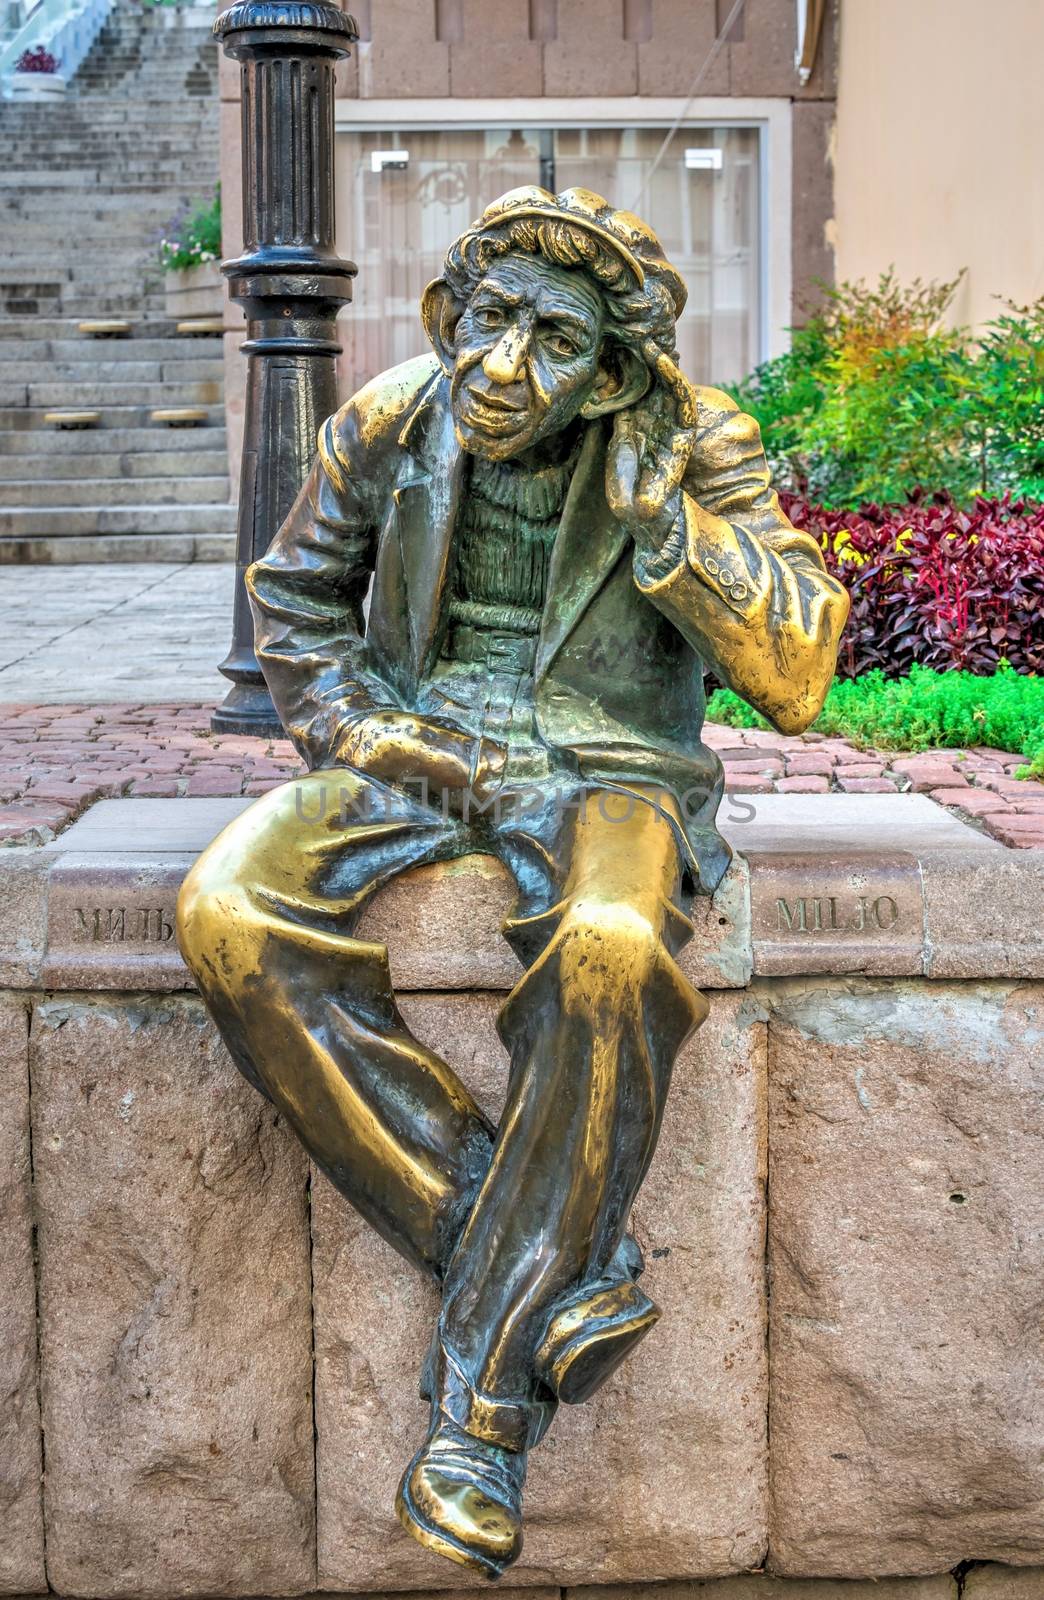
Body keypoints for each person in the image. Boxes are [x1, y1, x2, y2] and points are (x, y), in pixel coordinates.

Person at [177, 186, 848, 1579]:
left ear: (611, 367)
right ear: (449, 313)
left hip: (607, 762)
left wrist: (678, 537)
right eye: (488, 319)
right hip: (413, 740)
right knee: (228, 915)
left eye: (551, 340)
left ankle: (479, 1414)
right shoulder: (390, 419)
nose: (500, 366)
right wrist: (374, 733)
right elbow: (297, 606)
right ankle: (551, 1276)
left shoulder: (690, 441)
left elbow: (796, 673)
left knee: (611, 950)